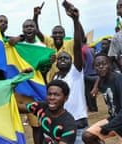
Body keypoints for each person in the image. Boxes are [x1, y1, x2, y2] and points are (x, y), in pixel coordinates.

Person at [52, 6, 88, 143]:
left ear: (72, 61)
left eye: (66, 58)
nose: (62, 60)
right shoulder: (55, 77)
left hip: (78, 126)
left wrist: (75, 20)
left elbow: (77, 46)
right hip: (61, 128)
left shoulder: (76, 72)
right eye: (60, 58)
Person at [33, 1, 85, 83]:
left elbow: (81, 37)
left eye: (60, 33)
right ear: (52, 35)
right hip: (53, 81)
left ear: (64, 35)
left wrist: (76, 19)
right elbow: (36, 31)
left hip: (69, 81)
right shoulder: (49, 42)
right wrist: (35, 16)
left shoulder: (70, 43)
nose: (57, 35)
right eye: (55, 33)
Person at [18, 79, 77, 144]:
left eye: (56, 95)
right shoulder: (41, 107)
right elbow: (17, 108)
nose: (52, 98)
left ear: (65, 98)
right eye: (49, 94)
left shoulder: (69, 124)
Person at [82, 53, 122, 144]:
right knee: (88, 135)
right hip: (114, 119)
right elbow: (95, 77)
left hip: (119, 120)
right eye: (97, 65)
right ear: (94, 68)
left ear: (110, 65)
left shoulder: (118, 80)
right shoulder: (101, 81)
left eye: (104, 64)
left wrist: (108, 127)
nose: (101, 67)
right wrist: (95, 87)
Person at [82, 37, 98, 112]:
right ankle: (95, 107)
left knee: (87, 92)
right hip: (94, 73)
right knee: (93, 91)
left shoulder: (82, 50)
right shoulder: (91, 49)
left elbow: (82, 63)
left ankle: (91, 108)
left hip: (86, 73)